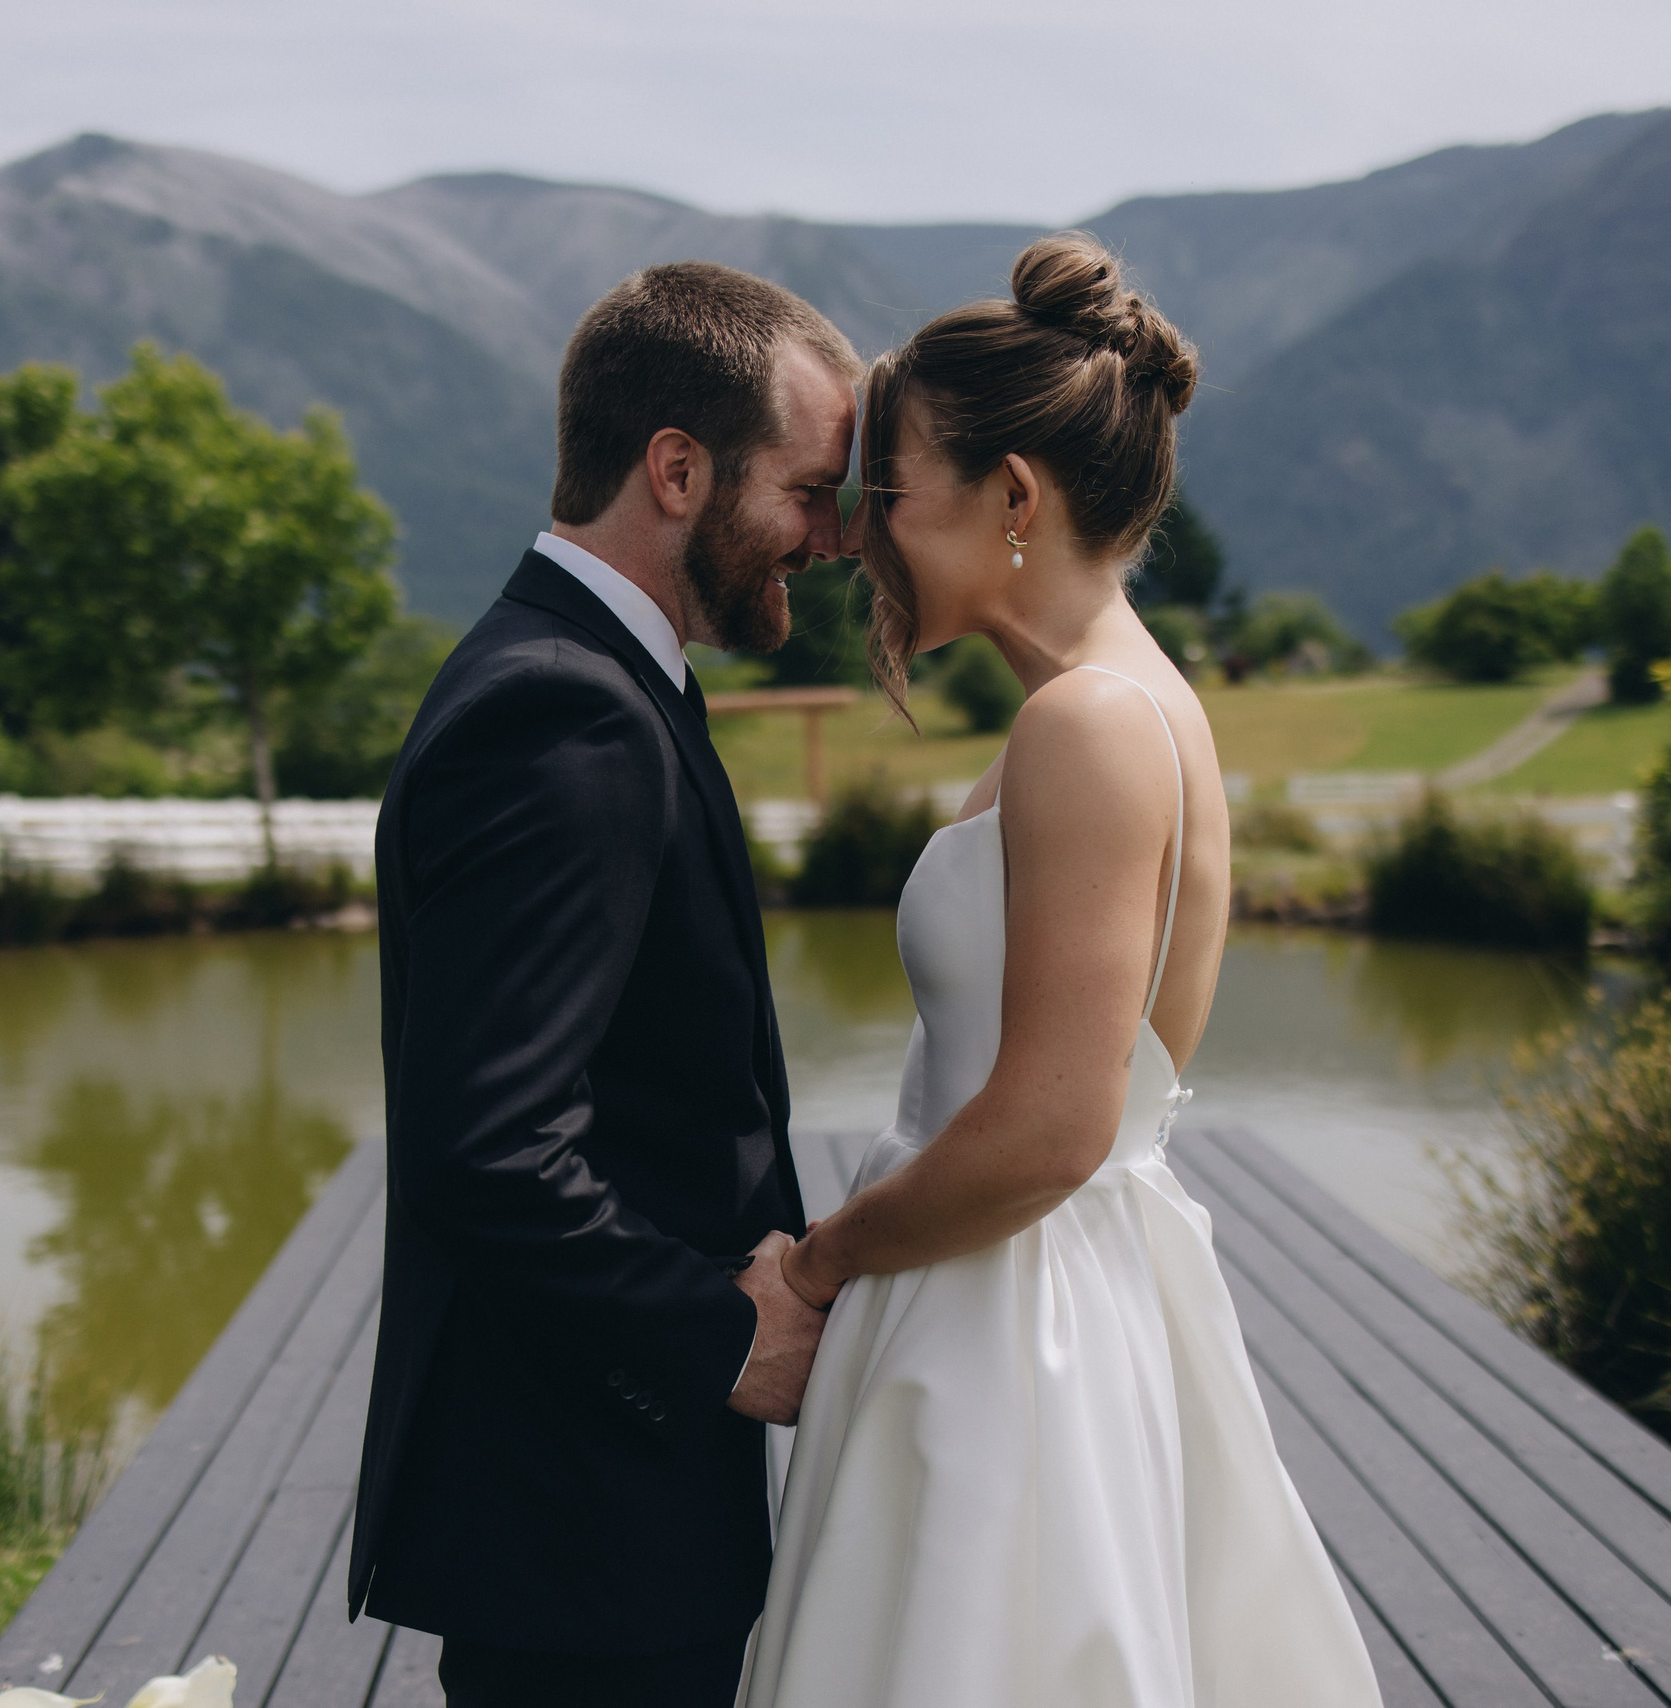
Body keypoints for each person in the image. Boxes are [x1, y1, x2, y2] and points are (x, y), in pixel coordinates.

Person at [743, 235, 1386, 1708]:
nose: (860, 536)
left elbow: (1048, 1127)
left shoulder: (1091, 726)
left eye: (892, 492)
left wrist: (815, 1266)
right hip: (1019, 1281)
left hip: (1009, 1312)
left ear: (1013, 496)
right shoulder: (1124, 708)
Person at [350, 261, 862, 1708]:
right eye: (812, 491)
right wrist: (729, 1341)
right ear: (680, 469)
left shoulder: (604, 682)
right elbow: (490, 1146)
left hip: (610, 1505)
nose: (830, 538)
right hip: (580, 1525)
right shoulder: (563, 712)